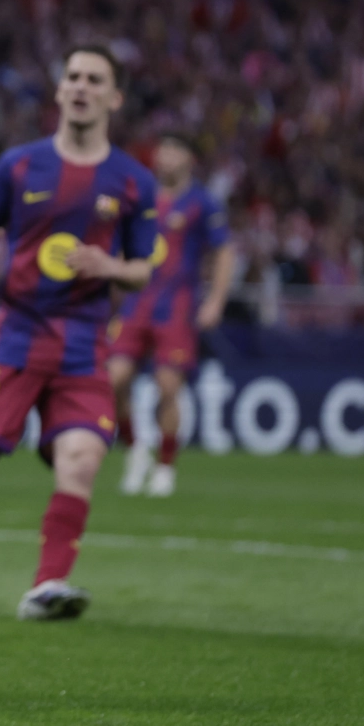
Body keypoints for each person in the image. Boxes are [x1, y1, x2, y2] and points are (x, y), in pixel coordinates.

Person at [0, 45, 157, 621]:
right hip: (17, 334)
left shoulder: (133, 181)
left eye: (94, 79)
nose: (81, 86)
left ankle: (47, 586)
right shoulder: (20, 164)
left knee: (81, 459)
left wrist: (108, 265)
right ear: (59, 90)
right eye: (73, 76)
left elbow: (143, 268)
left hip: (83, 342)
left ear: (114, 97)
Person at [108, 133, 234, 497]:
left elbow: (224, 251)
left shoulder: (202, 203)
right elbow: (123, 244)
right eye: (162, 150)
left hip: (176, 308)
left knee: (167, 386)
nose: (165, 156)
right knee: (114, 380)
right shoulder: (141, 197)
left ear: (189, 159)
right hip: (136, 304)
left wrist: (216, 301)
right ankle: (135, 451)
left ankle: (165, 467)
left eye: (175, 150)